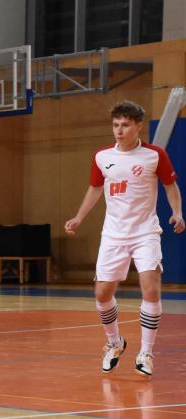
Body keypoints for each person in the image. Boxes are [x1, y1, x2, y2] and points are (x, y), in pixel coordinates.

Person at [65, 99, 184, 376]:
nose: (119, 130)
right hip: (113, 235)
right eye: (115, 125)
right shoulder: (102, 157)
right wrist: (79, 217)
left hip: (145, 233)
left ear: (138, 126)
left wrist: (177, 212)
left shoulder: (154, 155)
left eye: (125, 125)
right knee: (102, 293)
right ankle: (114, 343)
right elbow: (95, 189)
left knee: (151, 289)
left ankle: (146, 352)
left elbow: (171, 186)